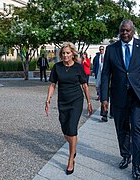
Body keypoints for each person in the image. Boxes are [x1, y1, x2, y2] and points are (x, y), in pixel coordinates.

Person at [100, 20, 140, 179]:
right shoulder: (111, 49)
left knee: (137, 129)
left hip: (138, 96)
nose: (124, 33)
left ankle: (136, 165)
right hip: (119, 97)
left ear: (133, 31)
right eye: (122, 31)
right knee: (122, 128)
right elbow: (105, 75)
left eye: (127, 31)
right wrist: (104, 98)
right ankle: (126, 155)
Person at [45, 42, 92, 175]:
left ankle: (71, 159)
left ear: (72, 54)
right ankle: (73, 146)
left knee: (72, 129)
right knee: (65, 131)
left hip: (76, 101)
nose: (65, 55)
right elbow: (53, 84)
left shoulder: (78, 67)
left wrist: (89, 103)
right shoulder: (57, 67)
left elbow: (85, 86)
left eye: (68, 53)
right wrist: (48, 99)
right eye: (63, 53)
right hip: (62, 102)